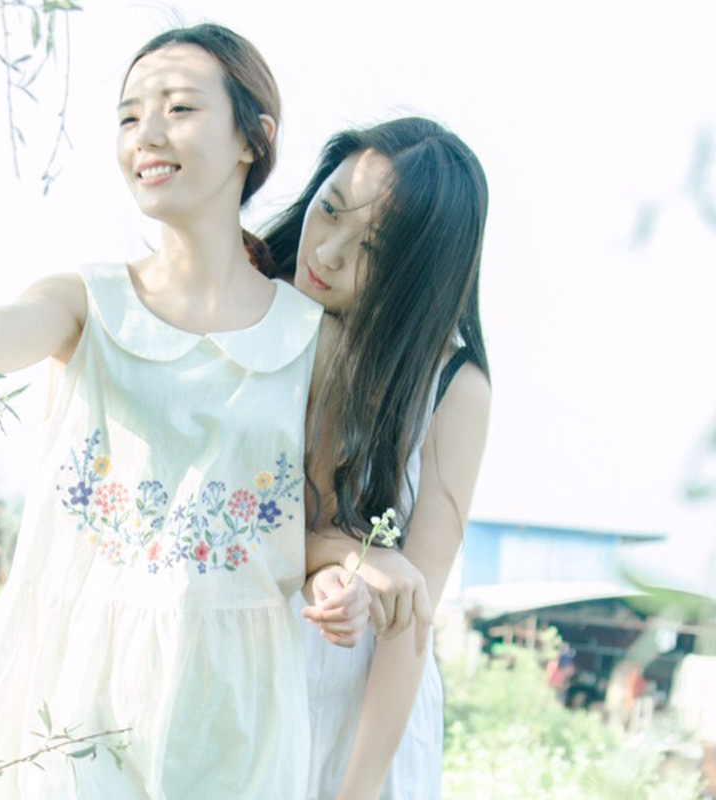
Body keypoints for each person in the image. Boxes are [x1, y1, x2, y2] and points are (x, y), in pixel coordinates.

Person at [0, 22, 376, 800]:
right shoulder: (88, 302)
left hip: (234, 702)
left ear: (251, 139)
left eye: (178, 108)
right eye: (129, 116)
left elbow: (318, 524)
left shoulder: (311, 341)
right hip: (81, 684)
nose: (146, 134)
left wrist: (342, 578)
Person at [264, 117, 492, 800]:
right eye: (329, 210)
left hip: (359, 715)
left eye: (371, 248)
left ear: (420, 273)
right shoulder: (253, 312)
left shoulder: (450, 387)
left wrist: (358, 788)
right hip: (242, 669)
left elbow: (410, 621)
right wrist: (346, 554)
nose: (326, 253)